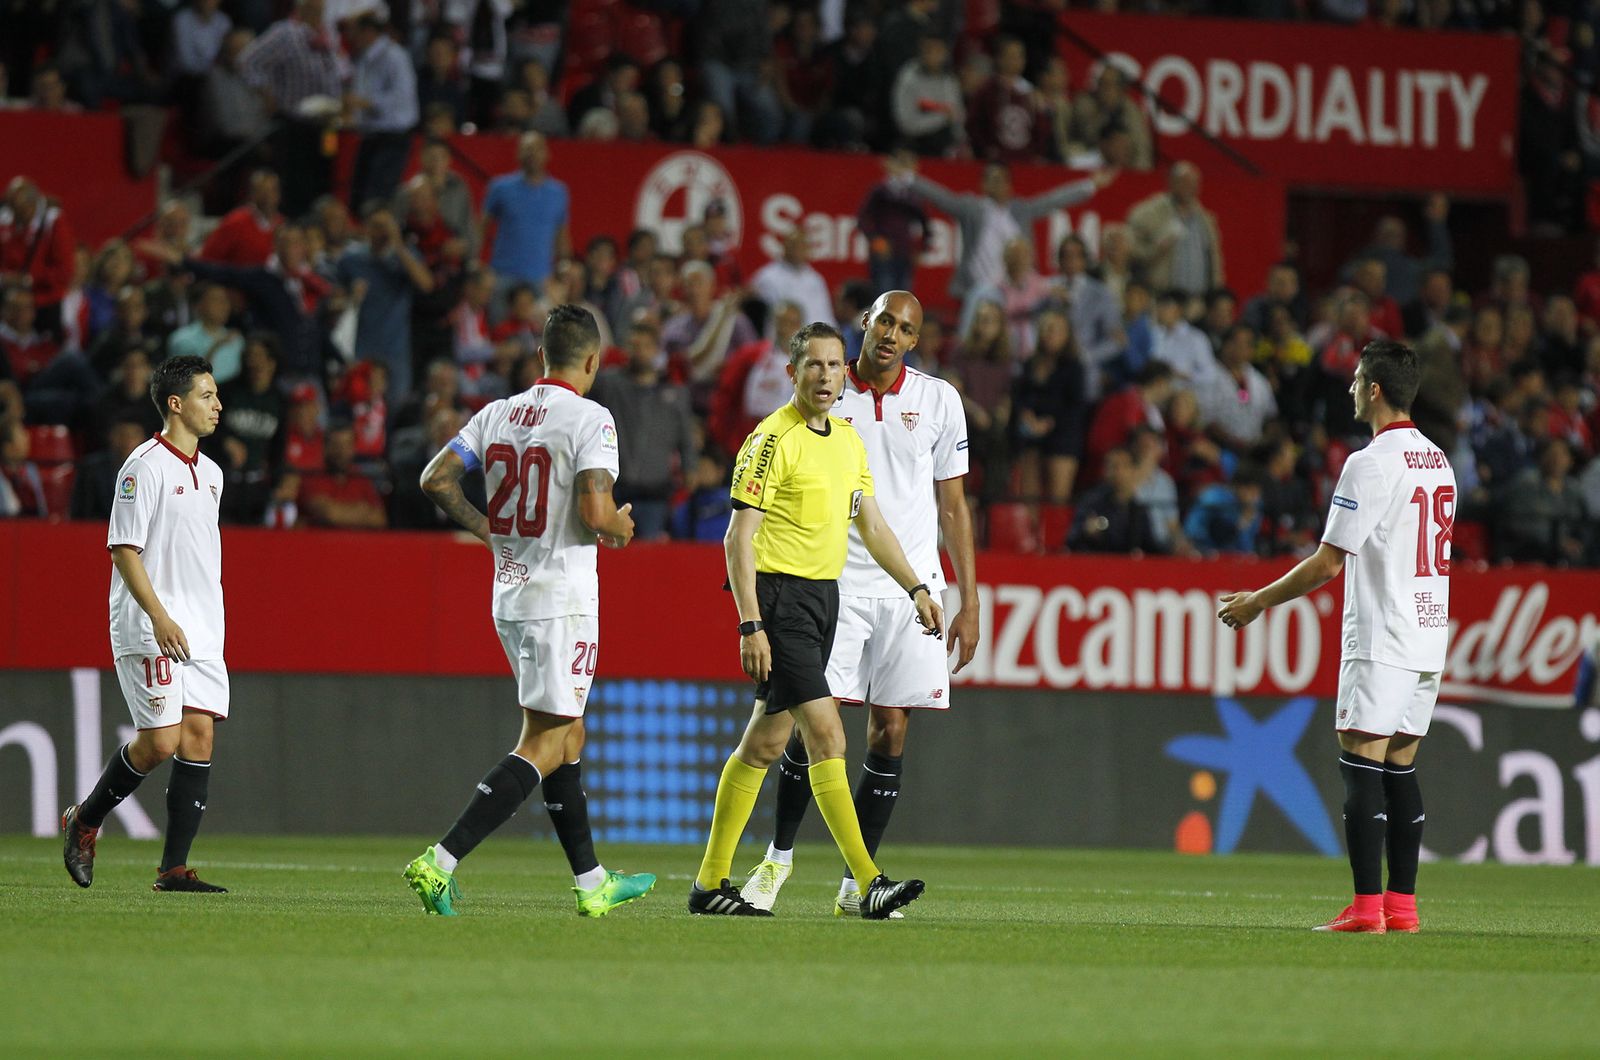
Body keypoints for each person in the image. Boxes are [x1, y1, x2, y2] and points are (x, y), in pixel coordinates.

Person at [401, 305, 655, 918]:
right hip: (560, 601)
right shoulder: (592, 418)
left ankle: (591, 880)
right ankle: (440, 861)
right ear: (592, 361)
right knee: (545, 742)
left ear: (542, 356)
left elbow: (436, 480)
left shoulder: (495, 413)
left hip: (511, 594)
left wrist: (491, 532)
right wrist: (619, 526)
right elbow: (596, 515)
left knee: (566, 735)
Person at [689, 321, 941, 919]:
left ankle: (708, 884)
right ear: (792, 373)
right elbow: (737, 537)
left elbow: (872, 526)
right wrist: (750, 623)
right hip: (779, 603)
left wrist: (916, 587)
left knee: (766, 741)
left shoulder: (846, 441)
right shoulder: (771, 440)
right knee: (826, 733)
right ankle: (868, 880)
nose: (826, 377)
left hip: (822, 599)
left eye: (833, 367)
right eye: (814, 366)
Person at [737, 292, 978, 917]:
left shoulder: (938, 401)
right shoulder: (825, 395)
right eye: (885, 323)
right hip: (831, 583)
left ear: (917, 340)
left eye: (907, 329)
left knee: (891, 728)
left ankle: (856, 883)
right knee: (808, 725)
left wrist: (964, 598)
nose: (893, 336)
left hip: (910, 582)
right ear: (864, 326)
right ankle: (776, 860)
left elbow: (952, 505)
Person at [1218, 340, 1453, 934]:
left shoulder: (1368, 463)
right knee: (1401, 766)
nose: (1350, 387)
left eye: (1355, 379)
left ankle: (1367, 908)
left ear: (1374, 389)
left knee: (1361, 764)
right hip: (1428, 634)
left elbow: (1327, 564)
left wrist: (1256, 603)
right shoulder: (1438, 459)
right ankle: (1402, 908)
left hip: (1383, 635)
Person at [62, 355, 231, 894]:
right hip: (150, 621)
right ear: (176, 404)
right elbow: (124, 549)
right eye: (207, 396)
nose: (218, 405)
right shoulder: (143, 465)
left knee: (199, 735)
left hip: (204, 625)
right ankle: (84, 820)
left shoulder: (212, 474)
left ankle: (173, 870)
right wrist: (159, 616)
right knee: (159, 742)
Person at [1126, 162, 1225, 298]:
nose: (1189, 187)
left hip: (1199, 301)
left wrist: (1215, 294)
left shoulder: (1206, 220)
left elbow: (1214, 261)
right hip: (1162, 298)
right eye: (1183, 182)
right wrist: (1156, 249)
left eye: (1193, 182)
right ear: (1170, 183)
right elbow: (1130, 252)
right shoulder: (1148, 214)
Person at [749, 229, 834, 329]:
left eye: (803, 246)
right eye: (795, 245)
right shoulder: (767, 277)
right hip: (785, 338)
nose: (799, 250)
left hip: (817, 338)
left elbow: (826, 316)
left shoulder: (815, 279)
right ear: (785, 247)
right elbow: (770, 318)